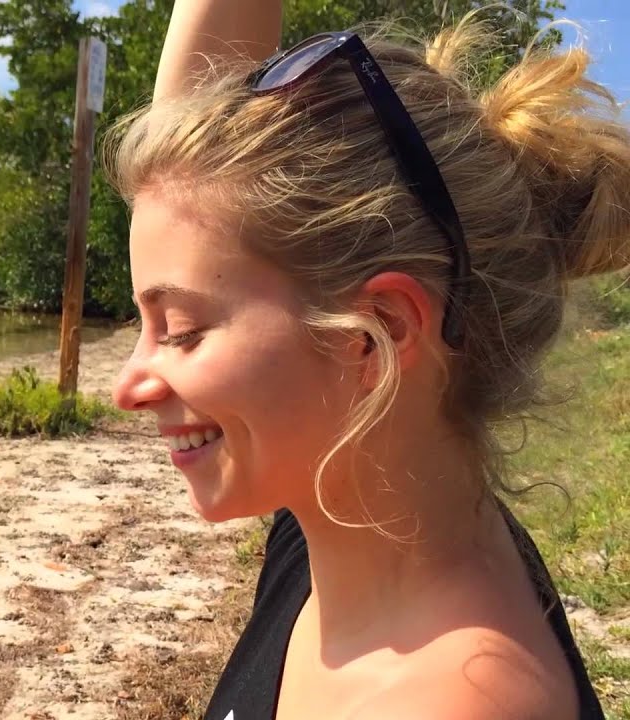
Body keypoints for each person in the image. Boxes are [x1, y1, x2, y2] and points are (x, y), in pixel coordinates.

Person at [106, 0, 629, 718]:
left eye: (184, 329)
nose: (127, 387)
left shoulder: (460, 701)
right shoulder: (356, 515)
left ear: (372, 334)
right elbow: (191, 181)